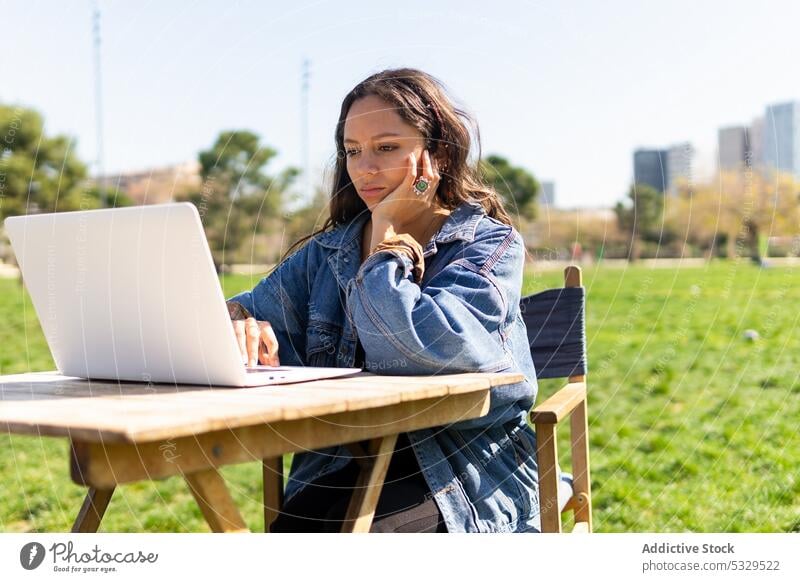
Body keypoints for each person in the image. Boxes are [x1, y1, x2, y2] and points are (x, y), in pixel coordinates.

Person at [226, 68, 542, 533]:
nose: (365, 168)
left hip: (459, 472)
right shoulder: (329, 252)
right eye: (353, 151)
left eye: (387, 148)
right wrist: (234, 319)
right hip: (336, 467)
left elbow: (423, 350)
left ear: (435, 154)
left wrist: (388, 249)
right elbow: (256, 310)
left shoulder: (487, 245)